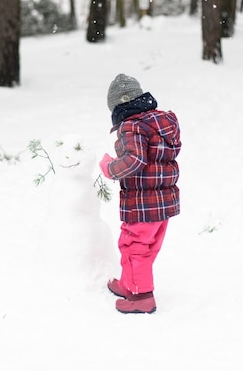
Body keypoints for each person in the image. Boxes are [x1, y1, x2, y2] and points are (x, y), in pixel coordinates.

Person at [99, 74, 181, 314]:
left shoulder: (131, 125)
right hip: (164, 202)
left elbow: (135, 159)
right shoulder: (161, 122)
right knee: (144, 246)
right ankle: (129, 283)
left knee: (135, 246)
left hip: (142, 203)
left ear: (121, 105)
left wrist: (110, 167)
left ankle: (142, 297)